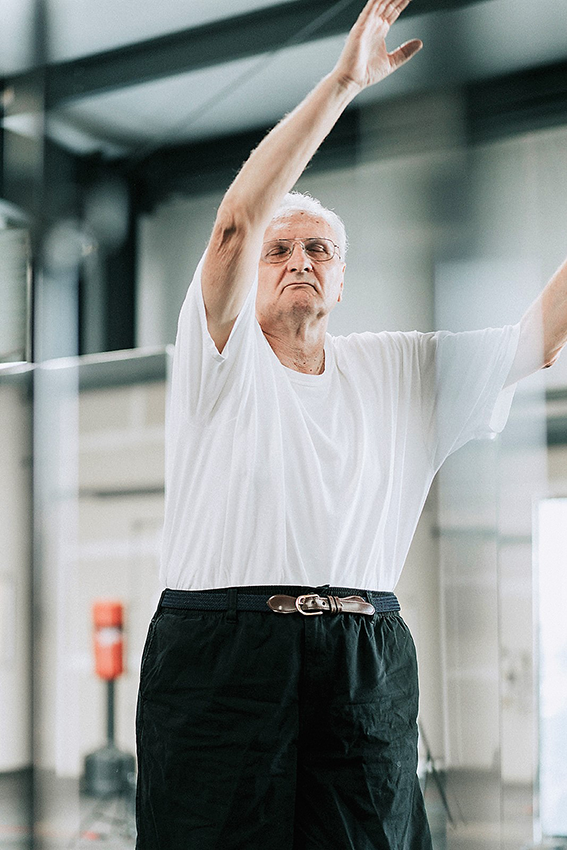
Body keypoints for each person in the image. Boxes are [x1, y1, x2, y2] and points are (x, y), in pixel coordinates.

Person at [135, 1, 567, 847]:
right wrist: (342, 84)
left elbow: (539, 337)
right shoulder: (218, 354)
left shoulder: (400, 367)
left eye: (319, 251)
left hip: (364, 653)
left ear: (341, 281)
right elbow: (231, 228)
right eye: (281, 249)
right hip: (219, 654)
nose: (299, 261)